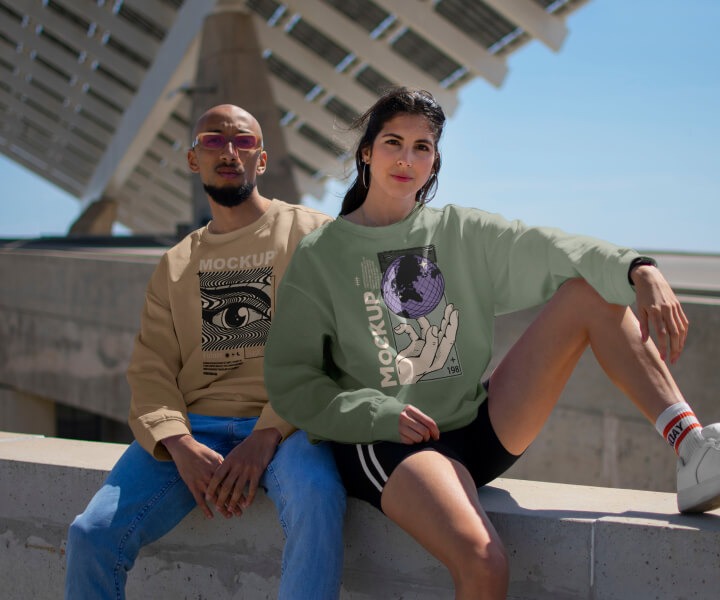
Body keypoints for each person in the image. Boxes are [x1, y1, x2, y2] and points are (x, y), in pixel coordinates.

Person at [264, 87, 720, 599]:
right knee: (484, 564)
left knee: (591, 292)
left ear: (434, 162)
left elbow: (552, 248)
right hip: (388, 442)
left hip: (473, 428)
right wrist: (376, 413)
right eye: (393, 142)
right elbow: (292, 381)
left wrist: (639, 268)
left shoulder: (459, 231)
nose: (407, 158)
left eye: (422, 147)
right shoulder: (322, 254)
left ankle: (693, 447)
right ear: (366, 152)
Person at [65, 104, 346, 600]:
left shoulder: (312, 234)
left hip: (290, 425)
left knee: (319, 500)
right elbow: (151, 369)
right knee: (91, 534)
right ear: (194, 160)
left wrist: (267, 434)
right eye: (213, 141)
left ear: (262, 158)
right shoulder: (176, 263)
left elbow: (334, 346)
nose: (229, 151)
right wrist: (178, 443)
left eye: (243, 141)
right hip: (195, 428)